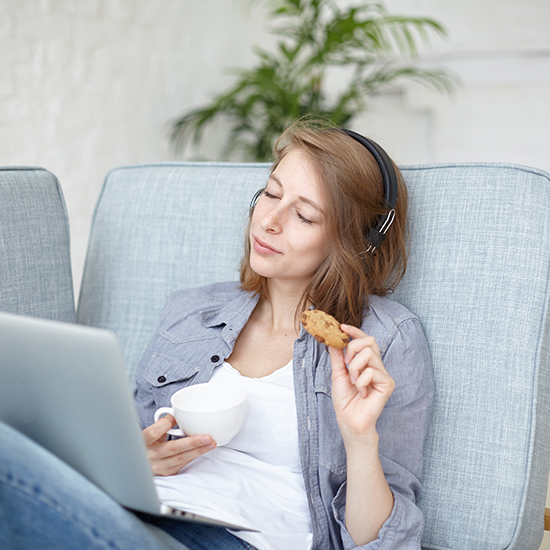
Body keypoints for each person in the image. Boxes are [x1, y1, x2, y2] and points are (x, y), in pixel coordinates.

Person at [0, 121, 433, 550]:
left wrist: (360, 439)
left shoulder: (383, 340)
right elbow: (122, 438)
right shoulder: (192, 311)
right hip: (137, 513)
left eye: (303, 215)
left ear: (357, 241)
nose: (269, 221)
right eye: (271, 193)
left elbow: (382, 543)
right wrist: (137, 458)